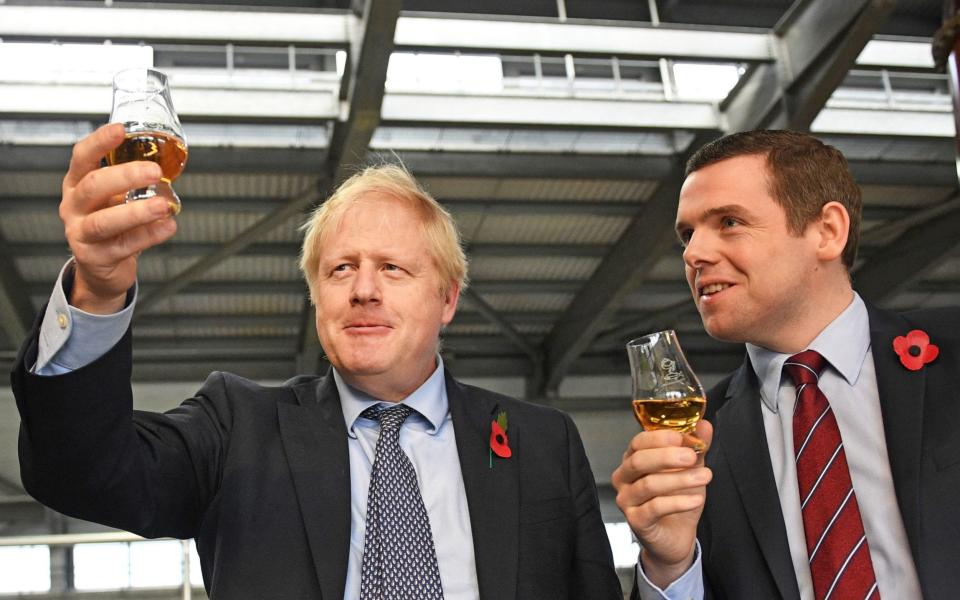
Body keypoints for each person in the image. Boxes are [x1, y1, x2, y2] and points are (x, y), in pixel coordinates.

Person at [11, 122, 623, 599]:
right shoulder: (237, 428)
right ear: (317, 297)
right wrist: (96, 289)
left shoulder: (545, 445)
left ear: (447, 299)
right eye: (340, 269)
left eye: (393, 267)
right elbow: (82, 471)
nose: (363, 289)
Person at [613, 130, 960, 599]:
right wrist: (669, 564)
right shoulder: (697, 442)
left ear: (827, 232)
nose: (694, 254)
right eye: (687, 234)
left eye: (730, 221)